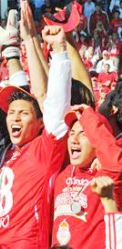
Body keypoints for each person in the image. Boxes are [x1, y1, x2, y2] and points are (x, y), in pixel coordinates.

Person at [0, 25, 72, 249]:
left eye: (23, 113)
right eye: (11, 113)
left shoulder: (45, 148)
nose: (15, 119)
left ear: (41, 122)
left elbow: (58, 106)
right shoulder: (8, 153)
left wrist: (59, 50)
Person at [51, 105, 122, 249]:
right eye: (72, 133)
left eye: (84, 134)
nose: (74, 140)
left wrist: (89, 119)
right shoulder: (62, 175)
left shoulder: (107, 177)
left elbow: (115, 163)